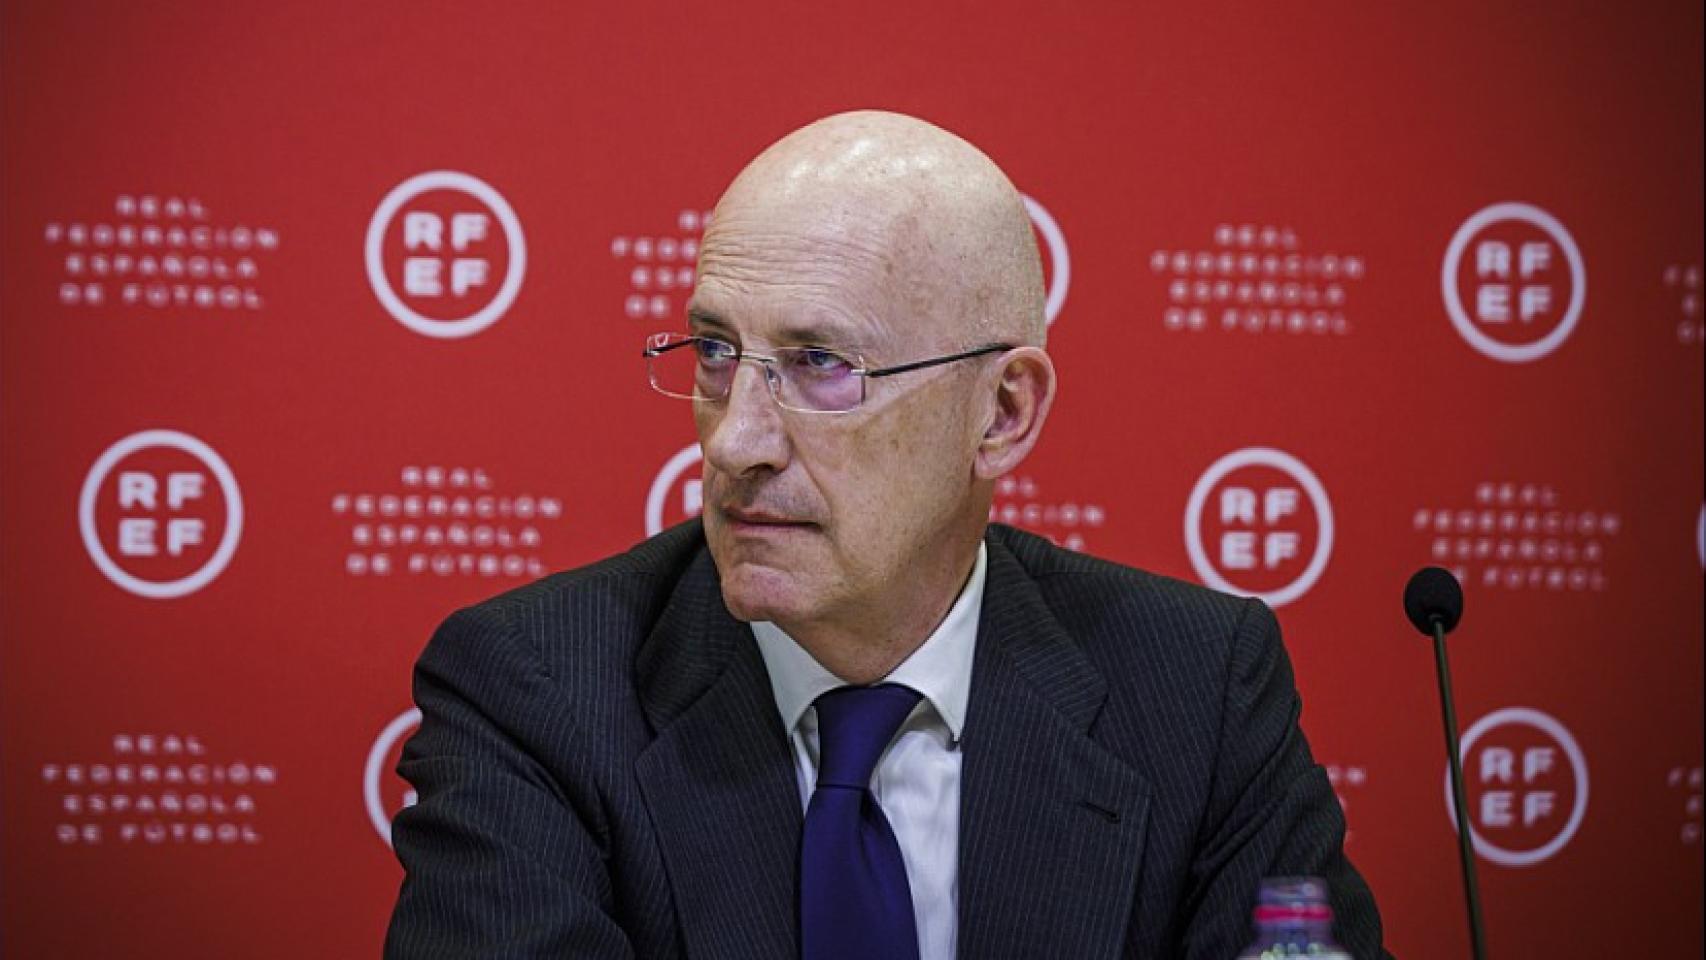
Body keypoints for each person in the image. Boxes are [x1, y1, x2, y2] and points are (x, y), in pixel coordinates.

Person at [385, 110, 1388, 960]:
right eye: (716, 352)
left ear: (1001, 413)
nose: (734, 441)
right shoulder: (535, 693)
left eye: (820, 363)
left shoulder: (1197, 689)